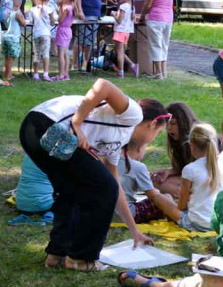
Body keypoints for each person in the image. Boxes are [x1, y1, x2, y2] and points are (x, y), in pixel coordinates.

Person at [18, 79, 169, 271]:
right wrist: (77, 122)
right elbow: (103, 85)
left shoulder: (116, 142)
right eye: (159, 132)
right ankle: (82, 259)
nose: (155, 139)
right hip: (45, 124)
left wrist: (134, 230)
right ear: (153, 124)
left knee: (72, 190)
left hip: (33, 132)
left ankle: (57, 254)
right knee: (100, 188)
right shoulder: (133, 114)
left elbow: (116, 189)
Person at [148, 122, 223, 232]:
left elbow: (181, 206)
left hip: (196, 223)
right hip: (220, 223)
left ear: (192, 145)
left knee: (159, 197)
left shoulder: (190, 169)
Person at [151, 101, 199, 197]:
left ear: (184, 122)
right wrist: (170, 172)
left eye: (173, 123)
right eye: (166, 124)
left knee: (164, 186)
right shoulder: (178, 141)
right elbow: (184, 167)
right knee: (156, 182)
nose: (168, 128)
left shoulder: (199, 137)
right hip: (192, 178)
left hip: (207, 180)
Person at [119, 140, 167, 224]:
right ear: (140, 148)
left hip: (104, 211)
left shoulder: (109, 161)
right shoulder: (138, 166)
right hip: (126, 214)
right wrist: (158, 191)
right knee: (166, 198)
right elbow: (153, 196)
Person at [140, 0, 174, 79]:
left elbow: (148, 4)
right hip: (168, 19)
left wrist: (142, 16)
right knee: (164, 45)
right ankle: (164, 72)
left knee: (156, 45)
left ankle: (158, 73)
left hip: (156, 19)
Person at [73, 0, 103, 71]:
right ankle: (75, 64)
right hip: (86, 14)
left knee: (90, 41)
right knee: (81, 40)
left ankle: (86, 64)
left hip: (94, 15)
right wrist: (79, 11)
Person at [28, 0, 56, 81]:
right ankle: (45, 74)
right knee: (45, 54)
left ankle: (36, 74)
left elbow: (31, 22)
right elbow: (52, 23)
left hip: (36, 34)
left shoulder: (32, 10)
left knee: (36, 54)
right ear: (48, 0)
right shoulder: (50, 9)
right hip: (46, 34)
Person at [111, 0, 137, 78]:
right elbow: (133, 20)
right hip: (127, 32)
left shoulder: (123, 6)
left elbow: (119, 21)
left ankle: (121, 72)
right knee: (119, 51)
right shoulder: (132, 7)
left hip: (120, 31)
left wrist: (114, 14)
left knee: (120, 52)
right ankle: (133, 65)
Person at [0, 0, 26, 82]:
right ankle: (7, 76)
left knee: (7, 57)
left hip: (5, 36)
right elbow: (24, 24)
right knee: (11, 58)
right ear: (18, 5)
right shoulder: (17, 14)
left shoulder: (7, 12)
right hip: (13, 38)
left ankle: (7, 73)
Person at [53, 0, 76, 81]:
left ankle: (61, 74)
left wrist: (60, 7)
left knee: (61, 54)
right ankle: (66, 73)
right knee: (66, 54)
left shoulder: (66, 8)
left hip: (62, 31)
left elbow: (60, 20)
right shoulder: (73, 7)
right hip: (68, 30)